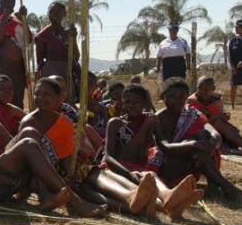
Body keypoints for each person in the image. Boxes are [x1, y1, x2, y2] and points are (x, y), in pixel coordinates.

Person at [0, 80, 99, 215]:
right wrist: (11, 181)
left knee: (29, 132)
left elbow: (13, 146)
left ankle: (45, 195)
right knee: (28, 144)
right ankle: (74, 201)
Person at [20, 78, 157, 217]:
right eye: (38, 94)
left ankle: (132, 199)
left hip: (64, 169)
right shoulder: (29, 122)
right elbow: (30, 160)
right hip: (42, 176)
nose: (41, 98)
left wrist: (70, 174)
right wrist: (62, 180)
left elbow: (68, 153)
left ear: (59, 97)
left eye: (47, 94)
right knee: (83, 187)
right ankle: (134, 204)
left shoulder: (64, 120)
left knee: (89, 177)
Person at [148, 77, 242, 205]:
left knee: (203, 135)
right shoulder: (157, 119)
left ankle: (216, 188)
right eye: (171, 97)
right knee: (192, 145)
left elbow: (214, 134)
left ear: (187, 97)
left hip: (189, 160)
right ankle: (228, 189)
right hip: (164, 166)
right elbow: (166, 148)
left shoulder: (191, 113)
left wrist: (210, 145)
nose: (177, 100)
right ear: (163, 97)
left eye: (181, 97)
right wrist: (194, 144)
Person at [104, 84, 203, 219]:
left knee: (150, 178)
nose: (131, 105)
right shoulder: (115, 123)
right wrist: (128, 174)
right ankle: (169, 202)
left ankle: (169, 201)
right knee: (146, 181)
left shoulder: (151, 120)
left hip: (141, 169)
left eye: (136, 102)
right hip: (119, 168)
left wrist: (191, 145)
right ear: (122, 102)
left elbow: (164, 145)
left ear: (145, 103)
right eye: (127, 101)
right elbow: (109, 157)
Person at [187, 76, 242, 157]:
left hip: (218, 132)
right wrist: (216, 117)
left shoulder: (216, 100)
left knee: (218, 124)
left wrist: (222, 116)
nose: (202, 91)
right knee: (217, 146)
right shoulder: (192, 101)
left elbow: (216, 119)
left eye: (206, 89)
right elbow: (198, 123)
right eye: (199, 88)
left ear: (213, 89)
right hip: (200, 134)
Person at [34, 1, 80, 96]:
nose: (55, 14)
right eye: (52, 11)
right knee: (51, 97)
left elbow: (76, 56)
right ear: (48, 14)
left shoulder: (69, 33)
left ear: (64, 14)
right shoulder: (43, 35)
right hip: (51, 71)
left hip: (67, 70)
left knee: (68, 97)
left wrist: (74, 39)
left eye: (59, 11)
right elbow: (39, 61)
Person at [0, 74, 26, 153]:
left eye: (10, 88)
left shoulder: (10, 108)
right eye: (1, 89)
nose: (7, 92)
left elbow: (30, 120)